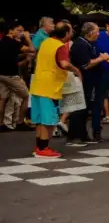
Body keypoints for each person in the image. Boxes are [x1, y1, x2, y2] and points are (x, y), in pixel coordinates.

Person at [29, 23, 81, 158]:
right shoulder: (60, 46)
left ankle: (39, 146)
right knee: (49, 120)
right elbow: (64, 64)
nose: (72, 33)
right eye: (71, 31)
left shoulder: (46, 42)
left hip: (38, 84)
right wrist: (76, 70)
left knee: (40, 119)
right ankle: (43, 148)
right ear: (66, 33)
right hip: (50, 87)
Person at [68, 23, 109, 145]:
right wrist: (101, 59)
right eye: (97, 31)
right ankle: (75, 137)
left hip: (90, 81)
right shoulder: (80, 45)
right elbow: (86, 65)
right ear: (90, 32)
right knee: (79, 108)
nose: (98, 34)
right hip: (82, 81)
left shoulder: (88, 44)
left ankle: (82, 134)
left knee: (84, 108)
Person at [0, 21, 35, 132]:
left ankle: (1, 124)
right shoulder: (13, 43)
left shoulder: (3, 41)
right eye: (18, 31)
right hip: (11, 75)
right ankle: (20, 122)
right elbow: (32, 49)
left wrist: (24, 56)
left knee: (2, 99)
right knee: (25, 96)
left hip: (2, 74)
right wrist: (28, 38)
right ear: (11, 31)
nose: (21, 33)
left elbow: (11, 54)